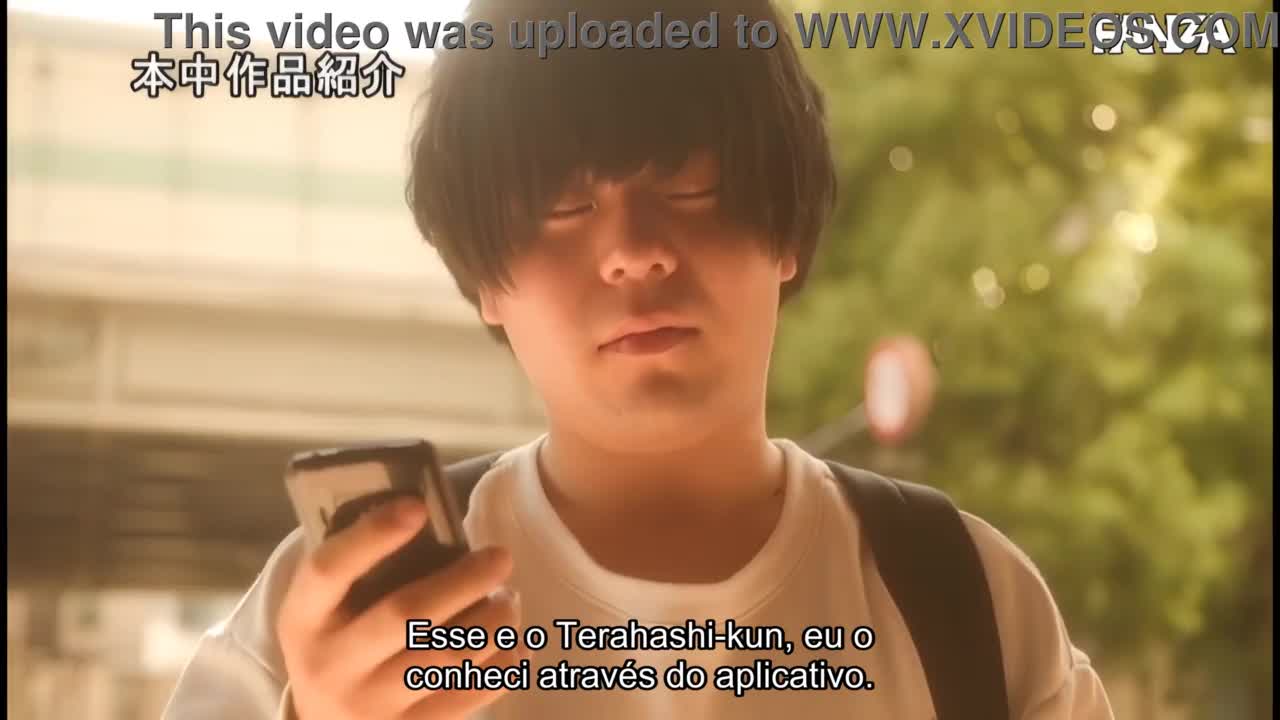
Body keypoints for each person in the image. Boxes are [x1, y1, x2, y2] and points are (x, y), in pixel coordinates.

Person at [163, 1, 1114, 718]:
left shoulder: (968, 599)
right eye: (563, 207)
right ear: (486, 281)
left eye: (690, 184)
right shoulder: (331, 622)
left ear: (786, 227)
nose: (633, 250)